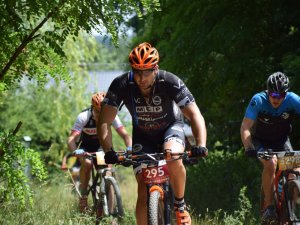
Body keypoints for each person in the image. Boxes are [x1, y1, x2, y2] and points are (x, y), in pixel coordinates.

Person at [97, 42, 208, 225]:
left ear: (155, 69)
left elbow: (194, 114)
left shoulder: (170, 81)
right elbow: (104, 121)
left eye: (146, 71)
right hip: (143, 135)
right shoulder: (121, 84)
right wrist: (109, 151)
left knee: (172, 154)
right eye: (137, 71)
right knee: (142, 188)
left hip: (171, 128)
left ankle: (180, 206)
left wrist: (201, 144)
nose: (141, 77)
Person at [240, 72, 300, 223]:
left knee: (296, 170)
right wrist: (248, 147)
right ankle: (269, 207)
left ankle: (289, 209)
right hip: (261, 141)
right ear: (268, 91)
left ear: (286, 94)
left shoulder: (293, 99)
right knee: (271, 163)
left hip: (281, 140)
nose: (276, 99)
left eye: (281, 95)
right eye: (273, 94)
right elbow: (245, 127)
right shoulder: (258, 100)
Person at [67, 92, 132, 212]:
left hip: (102, 147)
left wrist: (129, 148)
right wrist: (75, 151)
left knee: (108, 173)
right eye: (97, 112)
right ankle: (83, 196)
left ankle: (111, 213)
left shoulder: (111, 115)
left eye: (102, 113)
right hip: (86, 148)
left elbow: (125, 135)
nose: (99, 116)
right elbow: (71, 139)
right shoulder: (83, 116)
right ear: (93, 108)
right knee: (86, 164)